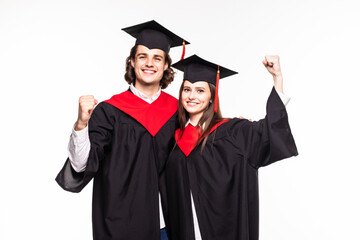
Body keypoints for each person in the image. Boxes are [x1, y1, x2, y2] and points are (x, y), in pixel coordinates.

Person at [55, 20, 189, 240]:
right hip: (122, 226)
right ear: (132, 62)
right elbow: (82, 165)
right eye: (142, 56)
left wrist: (234, 128)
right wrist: (81, 124)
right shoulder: (110, 111)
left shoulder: (177, 112)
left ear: (166, 65)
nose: (149, 63)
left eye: (157, 57)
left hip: (167, 225)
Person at [165, 54, 298, 240]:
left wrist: (277, 78)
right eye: (187, 89)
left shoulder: (233, 132)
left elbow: (268, 133)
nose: (191, 96)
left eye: (200, 91)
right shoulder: (173, 140)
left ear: (212, 96)